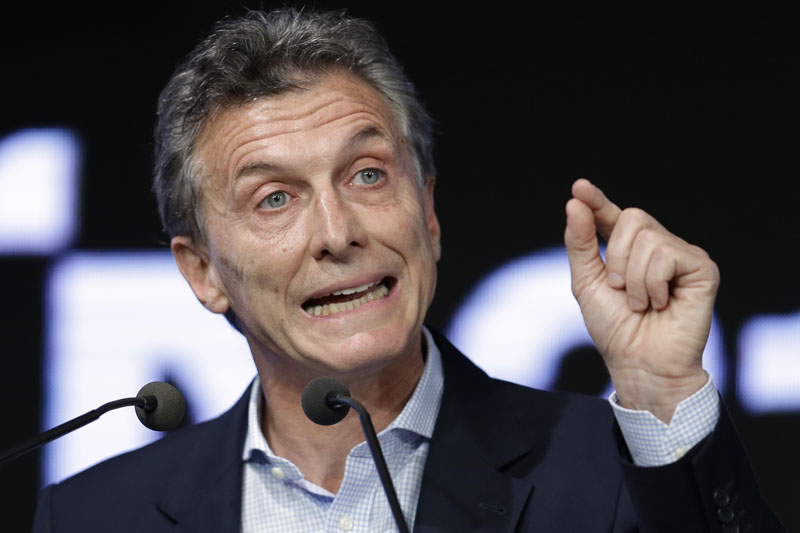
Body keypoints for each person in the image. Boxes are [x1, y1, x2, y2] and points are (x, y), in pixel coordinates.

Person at [33, 8, 783, 532]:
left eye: (366, 175)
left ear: (426, 211)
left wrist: (661, 396)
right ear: (203, 272)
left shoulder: (609, 471)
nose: (336, 232)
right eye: (274, 198)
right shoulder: (96, 516)